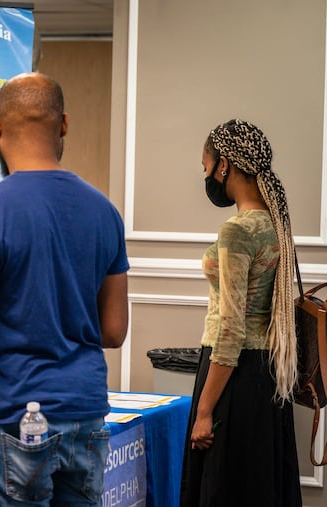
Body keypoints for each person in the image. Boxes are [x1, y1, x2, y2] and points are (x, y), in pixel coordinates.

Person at [0, 72, 129, 506]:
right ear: (64, 125)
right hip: (85, 410)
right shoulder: (105, 212)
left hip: (15, 414)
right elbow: (113, 331)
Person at [180, 119, 301, 506]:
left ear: (225, 165)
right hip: (264, 378)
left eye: (206, 167)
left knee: (223, 492)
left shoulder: (237, 231)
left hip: (230, 377)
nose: (207, 176)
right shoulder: (276, 224)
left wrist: (203, 410)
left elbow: (230, 329)